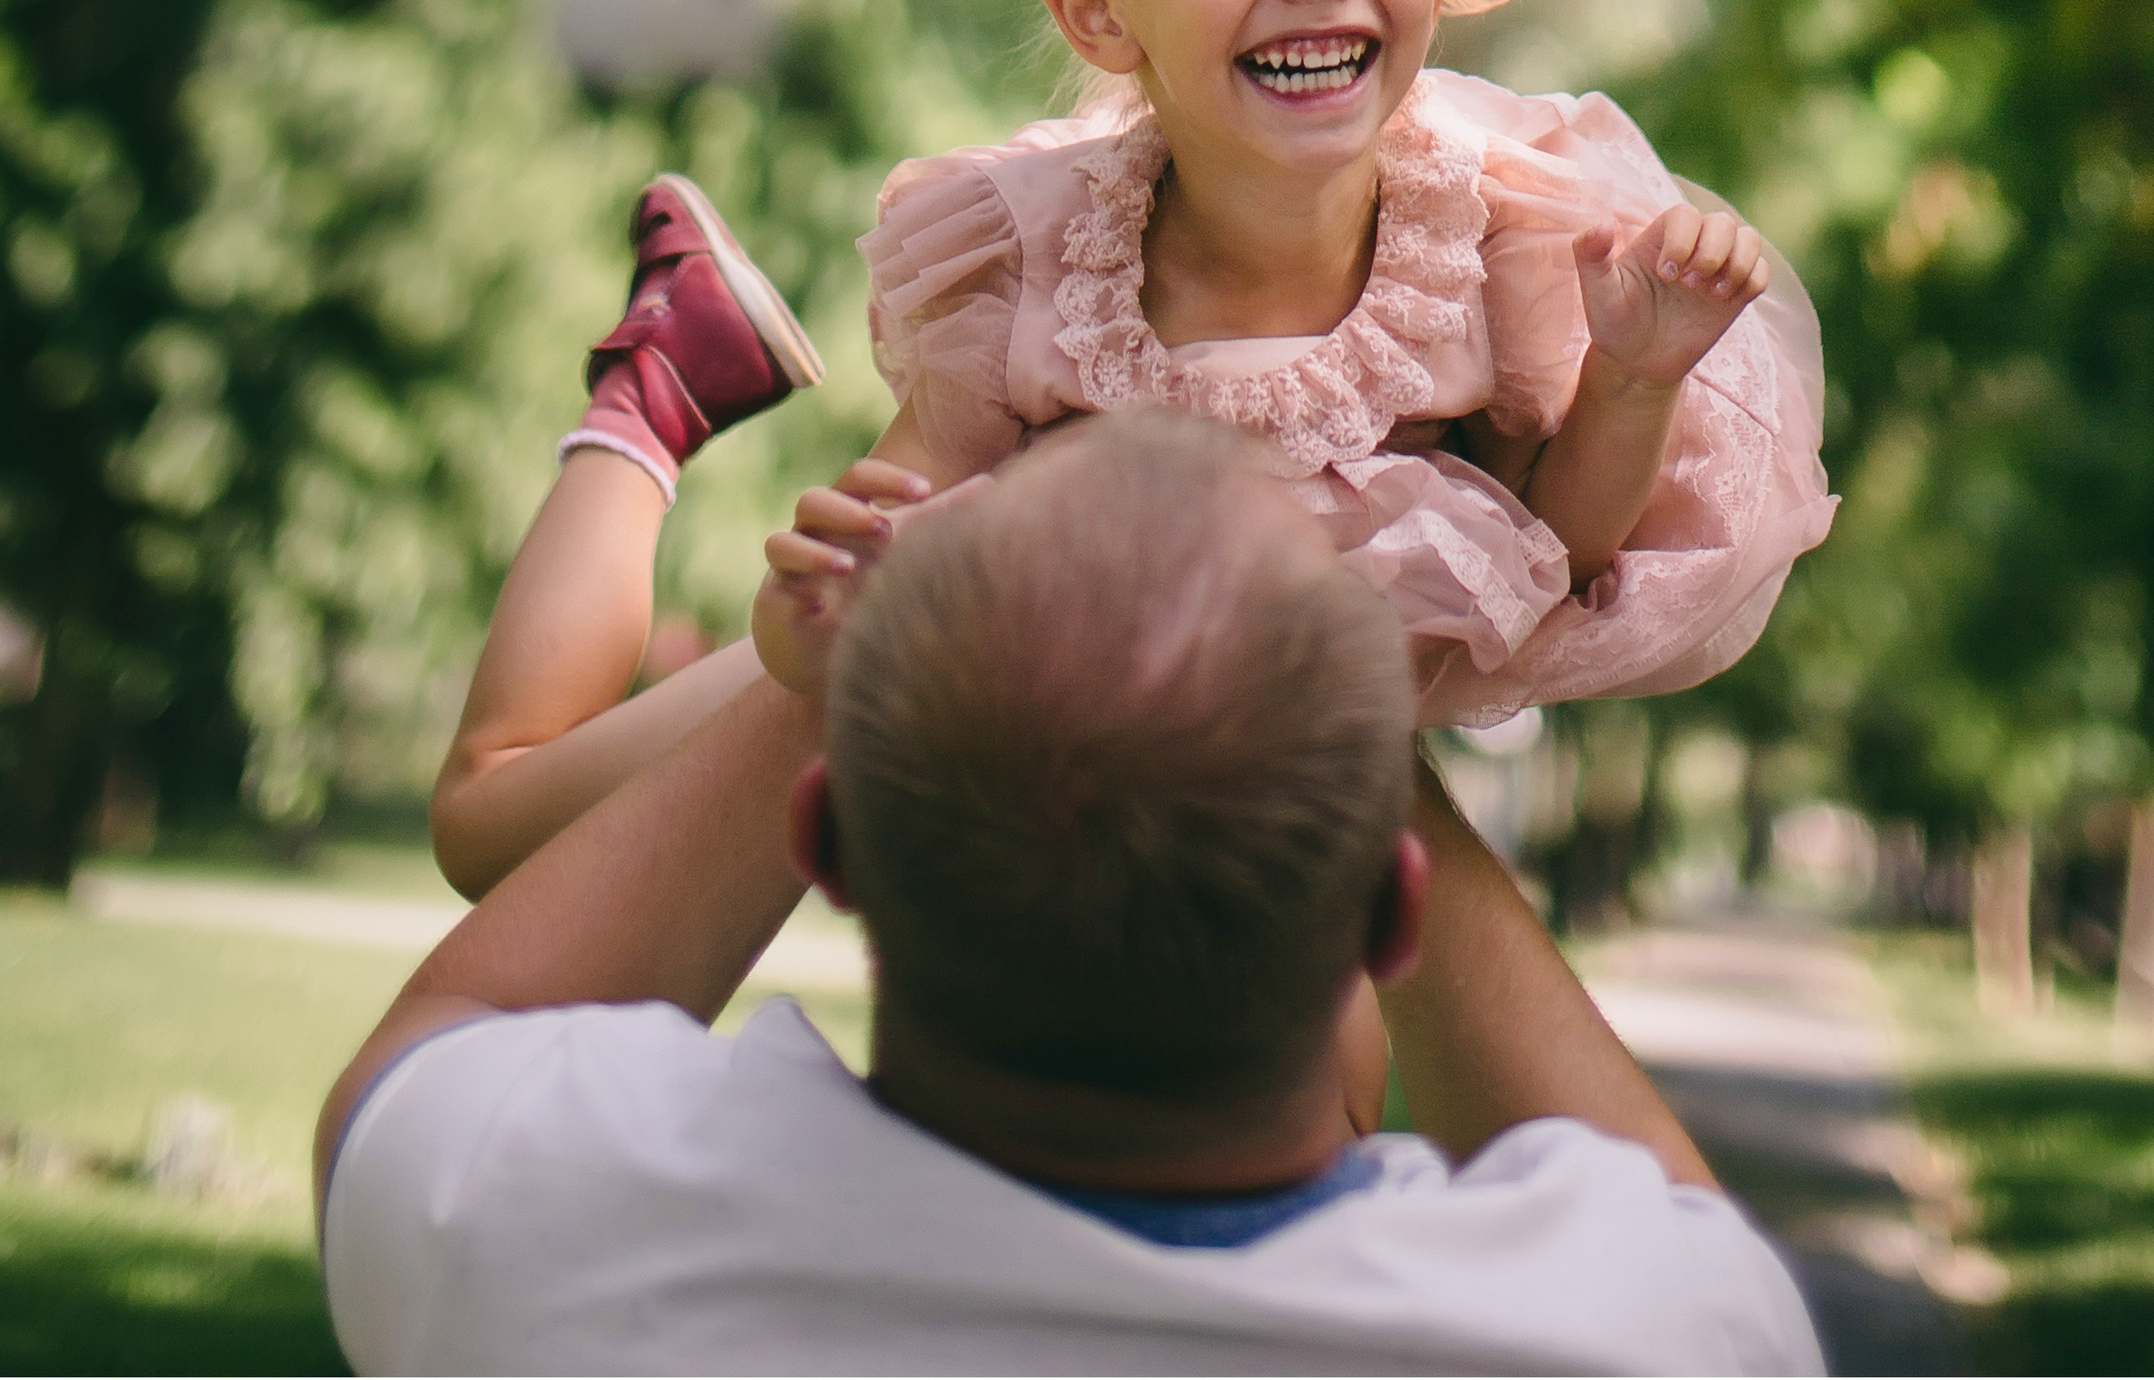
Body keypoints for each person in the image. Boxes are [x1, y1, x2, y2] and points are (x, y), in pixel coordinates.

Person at [430, 0, 1835, 907]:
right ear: (1102, 9)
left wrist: (1638, 375)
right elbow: (878, 544)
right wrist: (816, 624)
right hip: (1018, 679)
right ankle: (653, 392)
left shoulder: (1501, 239)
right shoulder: (1039, 270)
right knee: (497, 832)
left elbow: (1558, 553)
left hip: (1198, 785)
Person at [323, 413, 1821, 1375]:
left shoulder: (559, 1245)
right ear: (1389, 917)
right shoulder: (1618, 1338)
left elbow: (445, 1033)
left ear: (826, 849)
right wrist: (1343, 699)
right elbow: (1678, 1215)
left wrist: (850, 660)